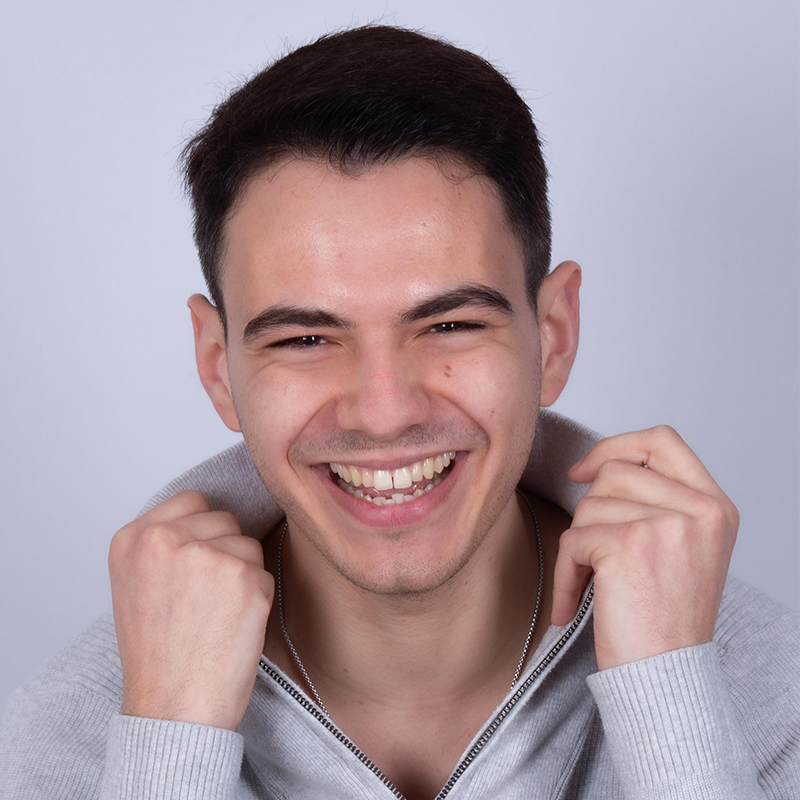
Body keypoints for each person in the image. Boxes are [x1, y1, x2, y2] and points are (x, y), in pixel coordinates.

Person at [0, 23, 797, 800]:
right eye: (306, 338)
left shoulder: (768, 694)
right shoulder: (77, 731)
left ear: (552, 337)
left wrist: (671, 700)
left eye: (449, 326)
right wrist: (171, 744)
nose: (384, 413)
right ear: (217, 365)